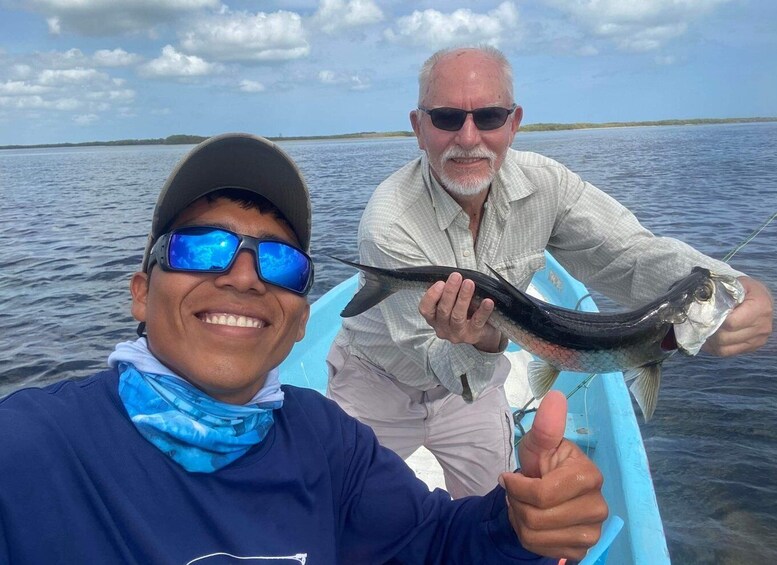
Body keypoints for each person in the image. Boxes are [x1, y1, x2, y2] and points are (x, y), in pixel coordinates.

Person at [0, 132, 608, 564]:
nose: (243, 276)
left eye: (279, 261)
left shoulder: (325, 440)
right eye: (200, 247)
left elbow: (440, 545)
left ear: (298, 323)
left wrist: (518, 525)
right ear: (140, 292)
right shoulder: (29, 448)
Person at [326, 46, 774, 499]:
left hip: (473, 391)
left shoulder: (548, 184)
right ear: (418, 128)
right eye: (445, 118)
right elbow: (439, 361)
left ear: (514, 123)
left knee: (494, 516)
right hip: (377, 383)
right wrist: (485, 340)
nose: (467, 136)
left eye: (489, 116)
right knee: (345, 509)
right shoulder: (389, 223)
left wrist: (734, 286)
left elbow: (631, 254)